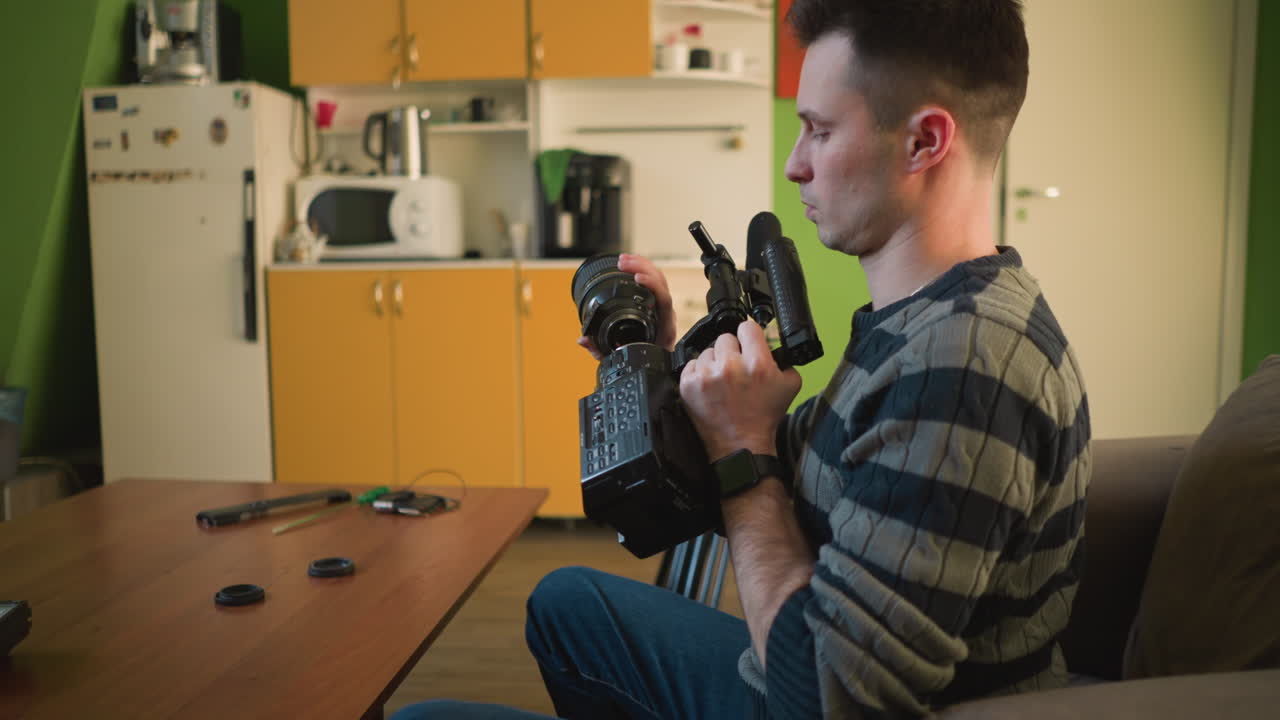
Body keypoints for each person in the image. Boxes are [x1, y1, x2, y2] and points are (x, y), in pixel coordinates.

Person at [393, 0, 1089, 717]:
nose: (794, 166)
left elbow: (829, 699)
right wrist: (665, 374)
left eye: (820, 131)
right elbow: (783, 472)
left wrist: (741, 446)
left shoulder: (963, 361)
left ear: (924, 142)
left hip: (812, 691)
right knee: (565, 601)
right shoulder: (922, 319)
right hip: (809, 655)